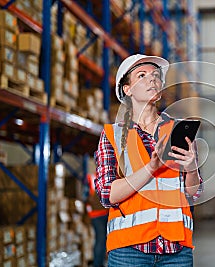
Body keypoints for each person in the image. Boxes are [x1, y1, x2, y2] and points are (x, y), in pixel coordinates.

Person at [94, 54, 203, 267]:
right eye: (142, 75)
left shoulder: (177, 130)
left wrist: (192, 169)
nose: (152, 79)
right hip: (129, 250)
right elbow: (108, 195)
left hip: (176, 249)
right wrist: (151, 168)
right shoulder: (113, 135)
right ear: (127, 90)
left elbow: (193, 193)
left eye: (155, 76)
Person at [86, 173, 109, 267]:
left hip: (105, 213)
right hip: (98, 214)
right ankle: (98, 264)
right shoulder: (91, 178)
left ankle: (101, 262)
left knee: (103, 239)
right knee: (101, 239)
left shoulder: (92, 177)